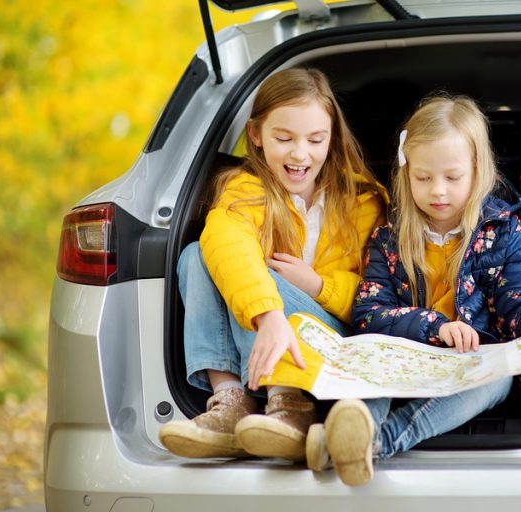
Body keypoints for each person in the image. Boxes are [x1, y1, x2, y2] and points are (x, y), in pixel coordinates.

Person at [305, 94, 521, 486]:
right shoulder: (389, 237)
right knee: (370, 367)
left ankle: (371, 443)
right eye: (423, 178)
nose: (438, 191)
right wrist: (434, 327)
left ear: (478, 172)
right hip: (403, 359)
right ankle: (354, 428)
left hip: (470, 364)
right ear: (407, 174)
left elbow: (517, 300)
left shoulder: (501, 233)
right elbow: (369, 312)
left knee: (497, 379)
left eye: (452, 178)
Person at [158, 68, 386, 462]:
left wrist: (317, 286)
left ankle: (290, 406)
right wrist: (270, 314)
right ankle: (230, 402)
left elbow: (380, 297)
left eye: (316, 140)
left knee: (255, 273)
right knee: (198, 255)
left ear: (332, 140)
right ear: (256, 136)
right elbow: (226, 238)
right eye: (284, 138)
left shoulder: (362, 202)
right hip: (271, 327)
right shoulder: (245, 191)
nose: (300, 154)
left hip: (336, 338)